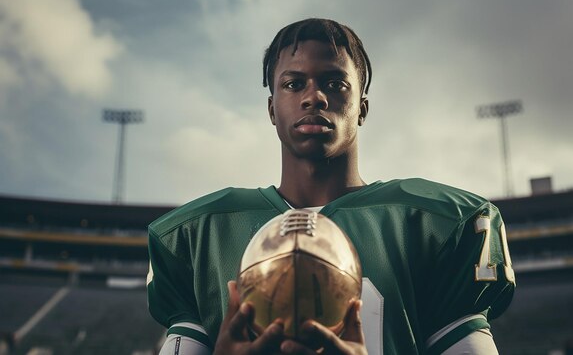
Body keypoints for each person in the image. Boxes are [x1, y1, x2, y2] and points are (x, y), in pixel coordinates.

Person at [147, 18, 516, 354]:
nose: (314, 96)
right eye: (294, 84)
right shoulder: (200, 235)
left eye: (334, 83)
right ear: (272, 108)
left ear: (362, 107)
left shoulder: (431, 224)